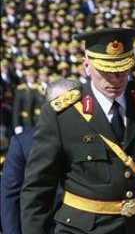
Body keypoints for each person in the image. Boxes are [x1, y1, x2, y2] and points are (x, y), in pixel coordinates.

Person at [20, 27, 135, 233]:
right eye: (105, 70)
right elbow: (38, 188)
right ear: (87, 66)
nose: (115, 78)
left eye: (122, 69)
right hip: (84, 229)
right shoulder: (63, 115)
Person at [1, 78, 78, 234]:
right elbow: (10, 197)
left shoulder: (97, 138)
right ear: (47, 107)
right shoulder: (24, 143)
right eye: (59, 103)